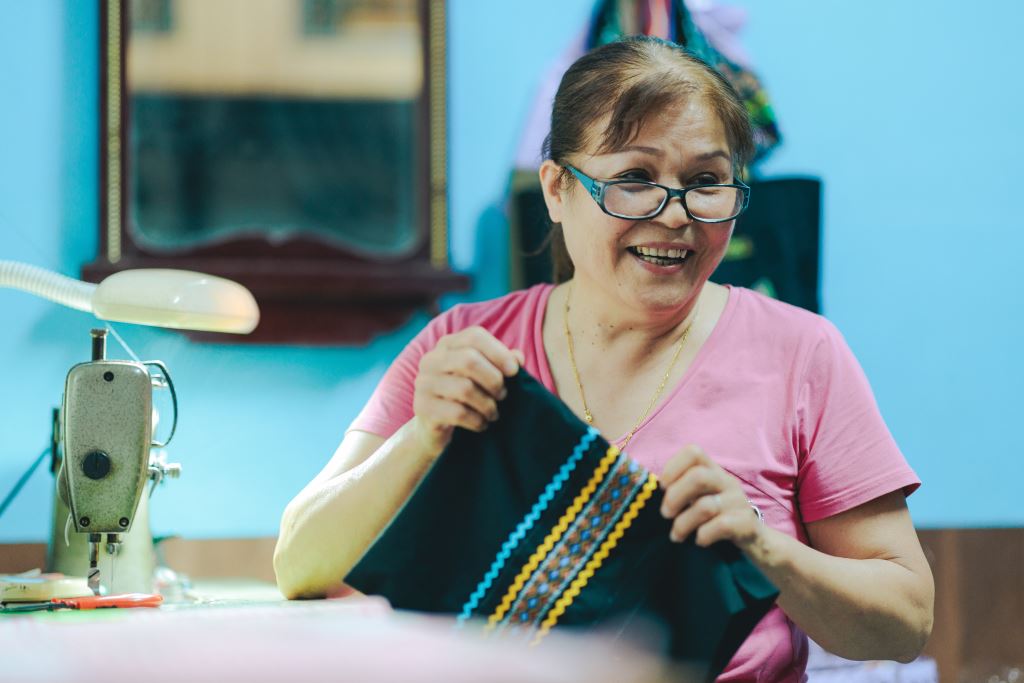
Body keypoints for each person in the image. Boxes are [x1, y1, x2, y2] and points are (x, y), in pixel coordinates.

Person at [274, 36, 934, 681]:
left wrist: (767, 552)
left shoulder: (801, 353)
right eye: (634, 178)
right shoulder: (466, 346)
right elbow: (300, 564)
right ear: (556, 189)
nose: (675, 215)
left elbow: (905, 623)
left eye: (706, 181)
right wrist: (422, 437)